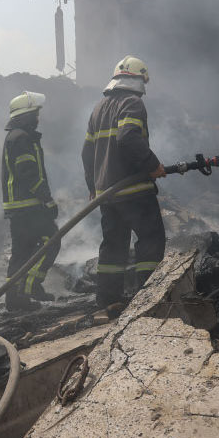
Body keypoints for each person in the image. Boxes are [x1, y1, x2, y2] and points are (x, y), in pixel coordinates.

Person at [81, 56, 167, 309]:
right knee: (150, 241)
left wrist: (91, 188)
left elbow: (86, 153)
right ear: (140, 80)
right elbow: (128, 138)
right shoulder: (133, 103)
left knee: (113, 247)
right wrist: (153, 165)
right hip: (134, 190)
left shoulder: (98, 108)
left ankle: (108, 301)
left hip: (107, 194)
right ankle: (148, 301)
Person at [1, 91, 60, 311]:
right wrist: (47, 200)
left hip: (21, 208)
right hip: (28, 206)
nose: (38, 118)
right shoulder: (21, 138)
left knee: (21, 254)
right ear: (26, 115)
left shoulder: (16, 136)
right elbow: (28, 173)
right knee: (52, 240)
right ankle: (30, 288)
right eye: (35, 114)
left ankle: (15, 300)